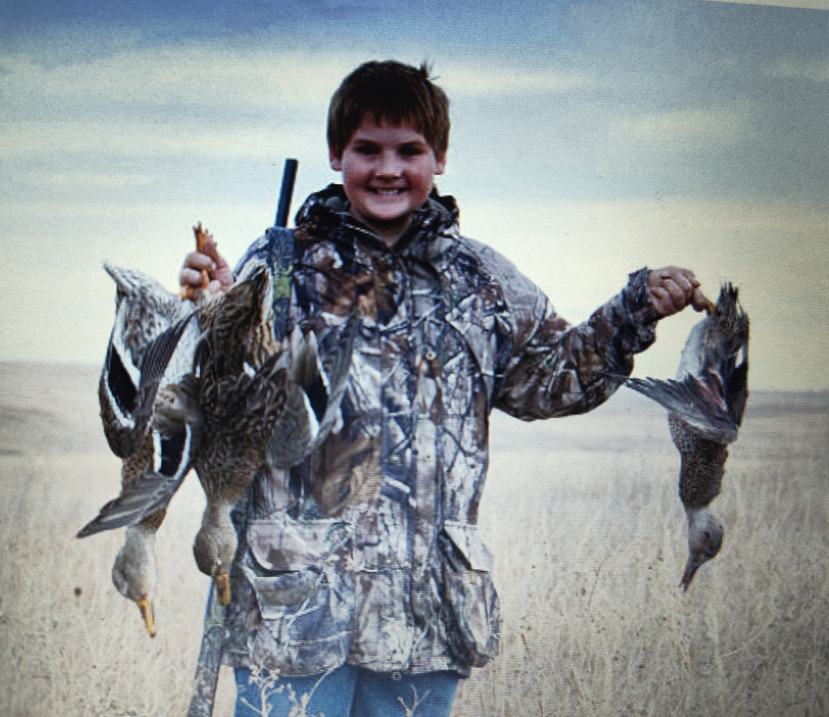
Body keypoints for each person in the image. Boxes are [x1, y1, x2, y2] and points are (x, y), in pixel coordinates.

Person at [180, 60, 708, 717]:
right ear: (336, 155)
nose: (388, 169)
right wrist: (214, 310)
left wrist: (632, 311)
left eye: (410, 150)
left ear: (441, 158)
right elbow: (223, 405)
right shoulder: (279, 266)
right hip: (294, 615)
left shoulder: (480, 280)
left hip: (424, 617)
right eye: (368, 149)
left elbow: (552, 380)